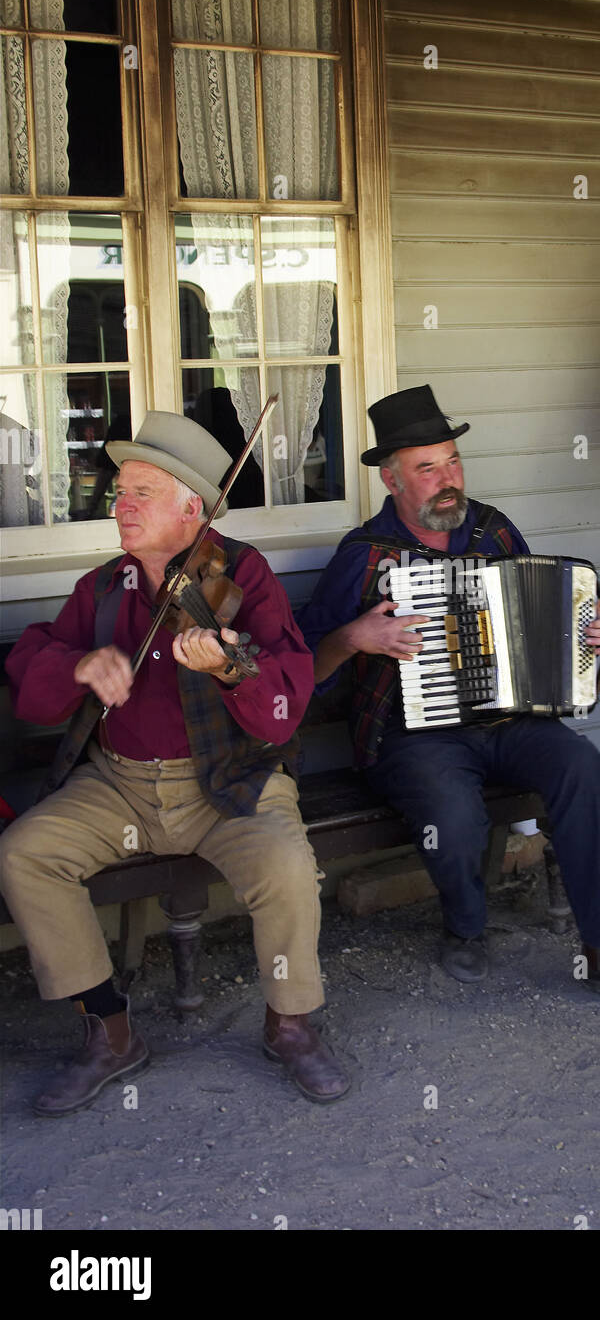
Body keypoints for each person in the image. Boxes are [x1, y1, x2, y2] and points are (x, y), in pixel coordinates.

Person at [0, 413, 350, 1114]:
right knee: (25, 853)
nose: (121, 506)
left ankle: (288, 1024)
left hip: (227, 779)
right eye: (120, 492)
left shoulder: (241, 576)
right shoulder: (102, 589)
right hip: (120, 785)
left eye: (141, 493)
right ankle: (111, 1031)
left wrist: (231, 669)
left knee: (285, 865)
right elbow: (29, 675)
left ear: (193, 507)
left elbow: (287, 693)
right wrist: (78, 666)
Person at [299, 385, 600, 1017]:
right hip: (411, 734)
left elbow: (547, 625)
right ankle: (465, 926)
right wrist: (356, 636)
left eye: (453, 461)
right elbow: (307, 668)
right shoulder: (363, 559)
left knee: (584, 769)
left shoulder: (494, 531)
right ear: (392, 481)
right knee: (452, 807)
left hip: (508, 719)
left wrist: (594, 636)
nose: (448, 480)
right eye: (428, 468)